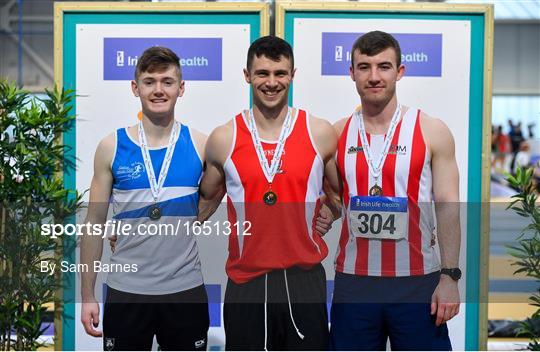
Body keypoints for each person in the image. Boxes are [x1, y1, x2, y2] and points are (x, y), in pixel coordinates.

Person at [198, 35, 340, 350]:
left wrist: (332, 211)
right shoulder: (224, 138)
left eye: (280, 73)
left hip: (304, 280)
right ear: (247, 75)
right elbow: (204, 203)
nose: (271, 82)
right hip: (246, 282)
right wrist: (149, 231)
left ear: (292, 75)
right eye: (262, 73)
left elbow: (340, 195)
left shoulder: (319, 132)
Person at [330, 31, 461, 350]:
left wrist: (450, 277)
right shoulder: (336, 133)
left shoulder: (431, 130)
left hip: (417, 283)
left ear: (400, 72)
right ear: (351, 73)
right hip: (355, 283)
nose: (374, 76)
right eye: (364, 67)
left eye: (384, 66)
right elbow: (333, 199)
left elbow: (448, 205)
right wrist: (325, 213)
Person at [80, 46, 209, 351]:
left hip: (185, 291)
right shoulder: (111, 146)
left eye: (167, 81)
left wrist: (191, 219)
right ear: (135, 88)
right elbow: (94, 224)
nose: (158, 89)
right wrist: (87, 296)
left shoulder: (202, 145)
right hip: (126, 292)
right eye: (149, 81)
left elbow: (223, 194)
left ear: (181, 87)